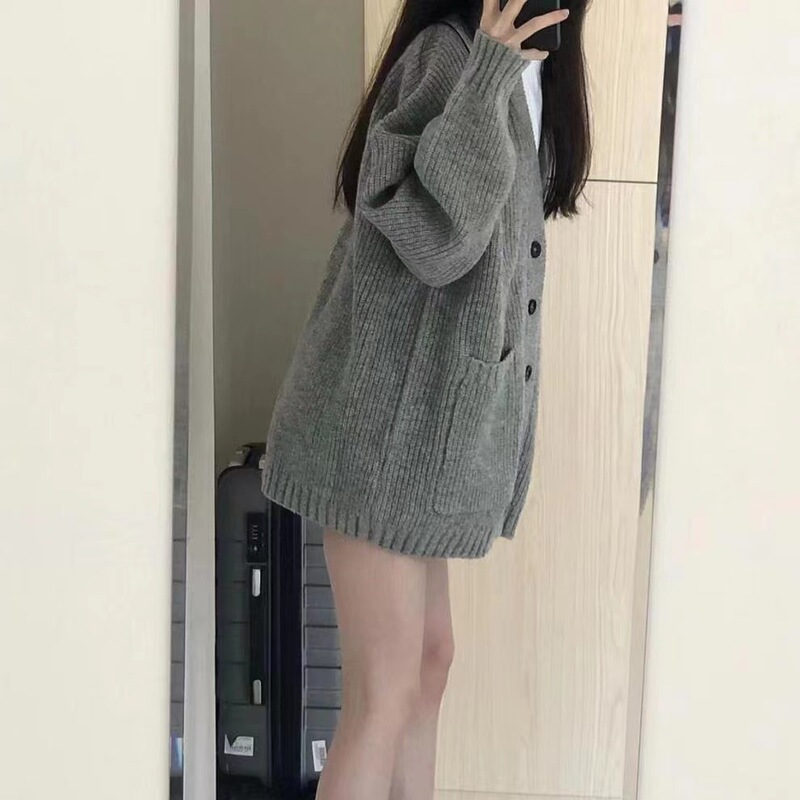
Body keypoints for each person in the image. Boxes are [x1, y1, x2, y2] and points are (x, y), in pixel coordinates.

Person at [260, 1, 591, 796]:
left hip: (427, 440)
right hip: (376, 433)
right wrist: (486, 76)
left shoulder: (528, 71)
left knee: (430, 662)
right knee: (385, 692)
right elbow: (436, 244)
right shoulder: (449, 58)